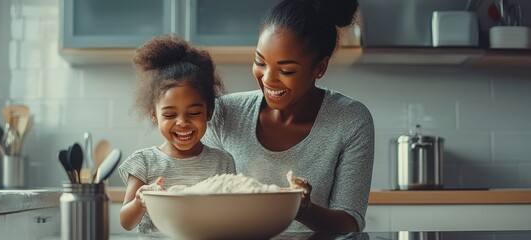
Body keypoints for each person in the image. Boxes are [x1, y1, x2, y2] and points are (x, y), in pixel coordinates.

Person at [202, 0, 374, 233]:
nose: (268, 79)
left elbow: (351, 221)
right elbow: (200, 195)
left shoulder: (351, 120)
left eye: (286, 70)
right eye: (260, 62)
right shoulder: (225, 114)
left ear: (319, 68)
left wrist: (303, 208)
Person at [117, 34, 236, 233]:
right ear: (154, 115)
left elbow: (232, 218)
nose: (182, 122)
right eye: (170, 114)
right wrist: (140, 201)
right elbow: (126, 222)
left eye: (194, 113)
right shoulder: (144, 162)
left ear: (209, 111)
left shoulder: (222, 162)